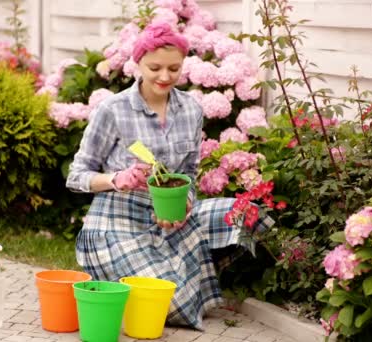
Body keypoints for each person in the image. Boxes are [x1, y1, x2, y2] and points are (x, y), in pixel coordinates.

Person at [66, 22, 273, 330]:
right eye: (155, 68)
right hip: (118, 222)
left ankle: (179, 274)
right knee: (170, 304)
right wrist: (115, 179)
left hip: (172, 217)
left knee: (247, 215)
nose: (165, 77)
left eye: (174, 68)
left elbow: (188, 172)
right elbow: (76, 175)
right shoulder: (113, 109)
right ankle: (168, 280)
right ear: (138, 64)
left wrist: (186, 203)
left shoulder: (190, 108)